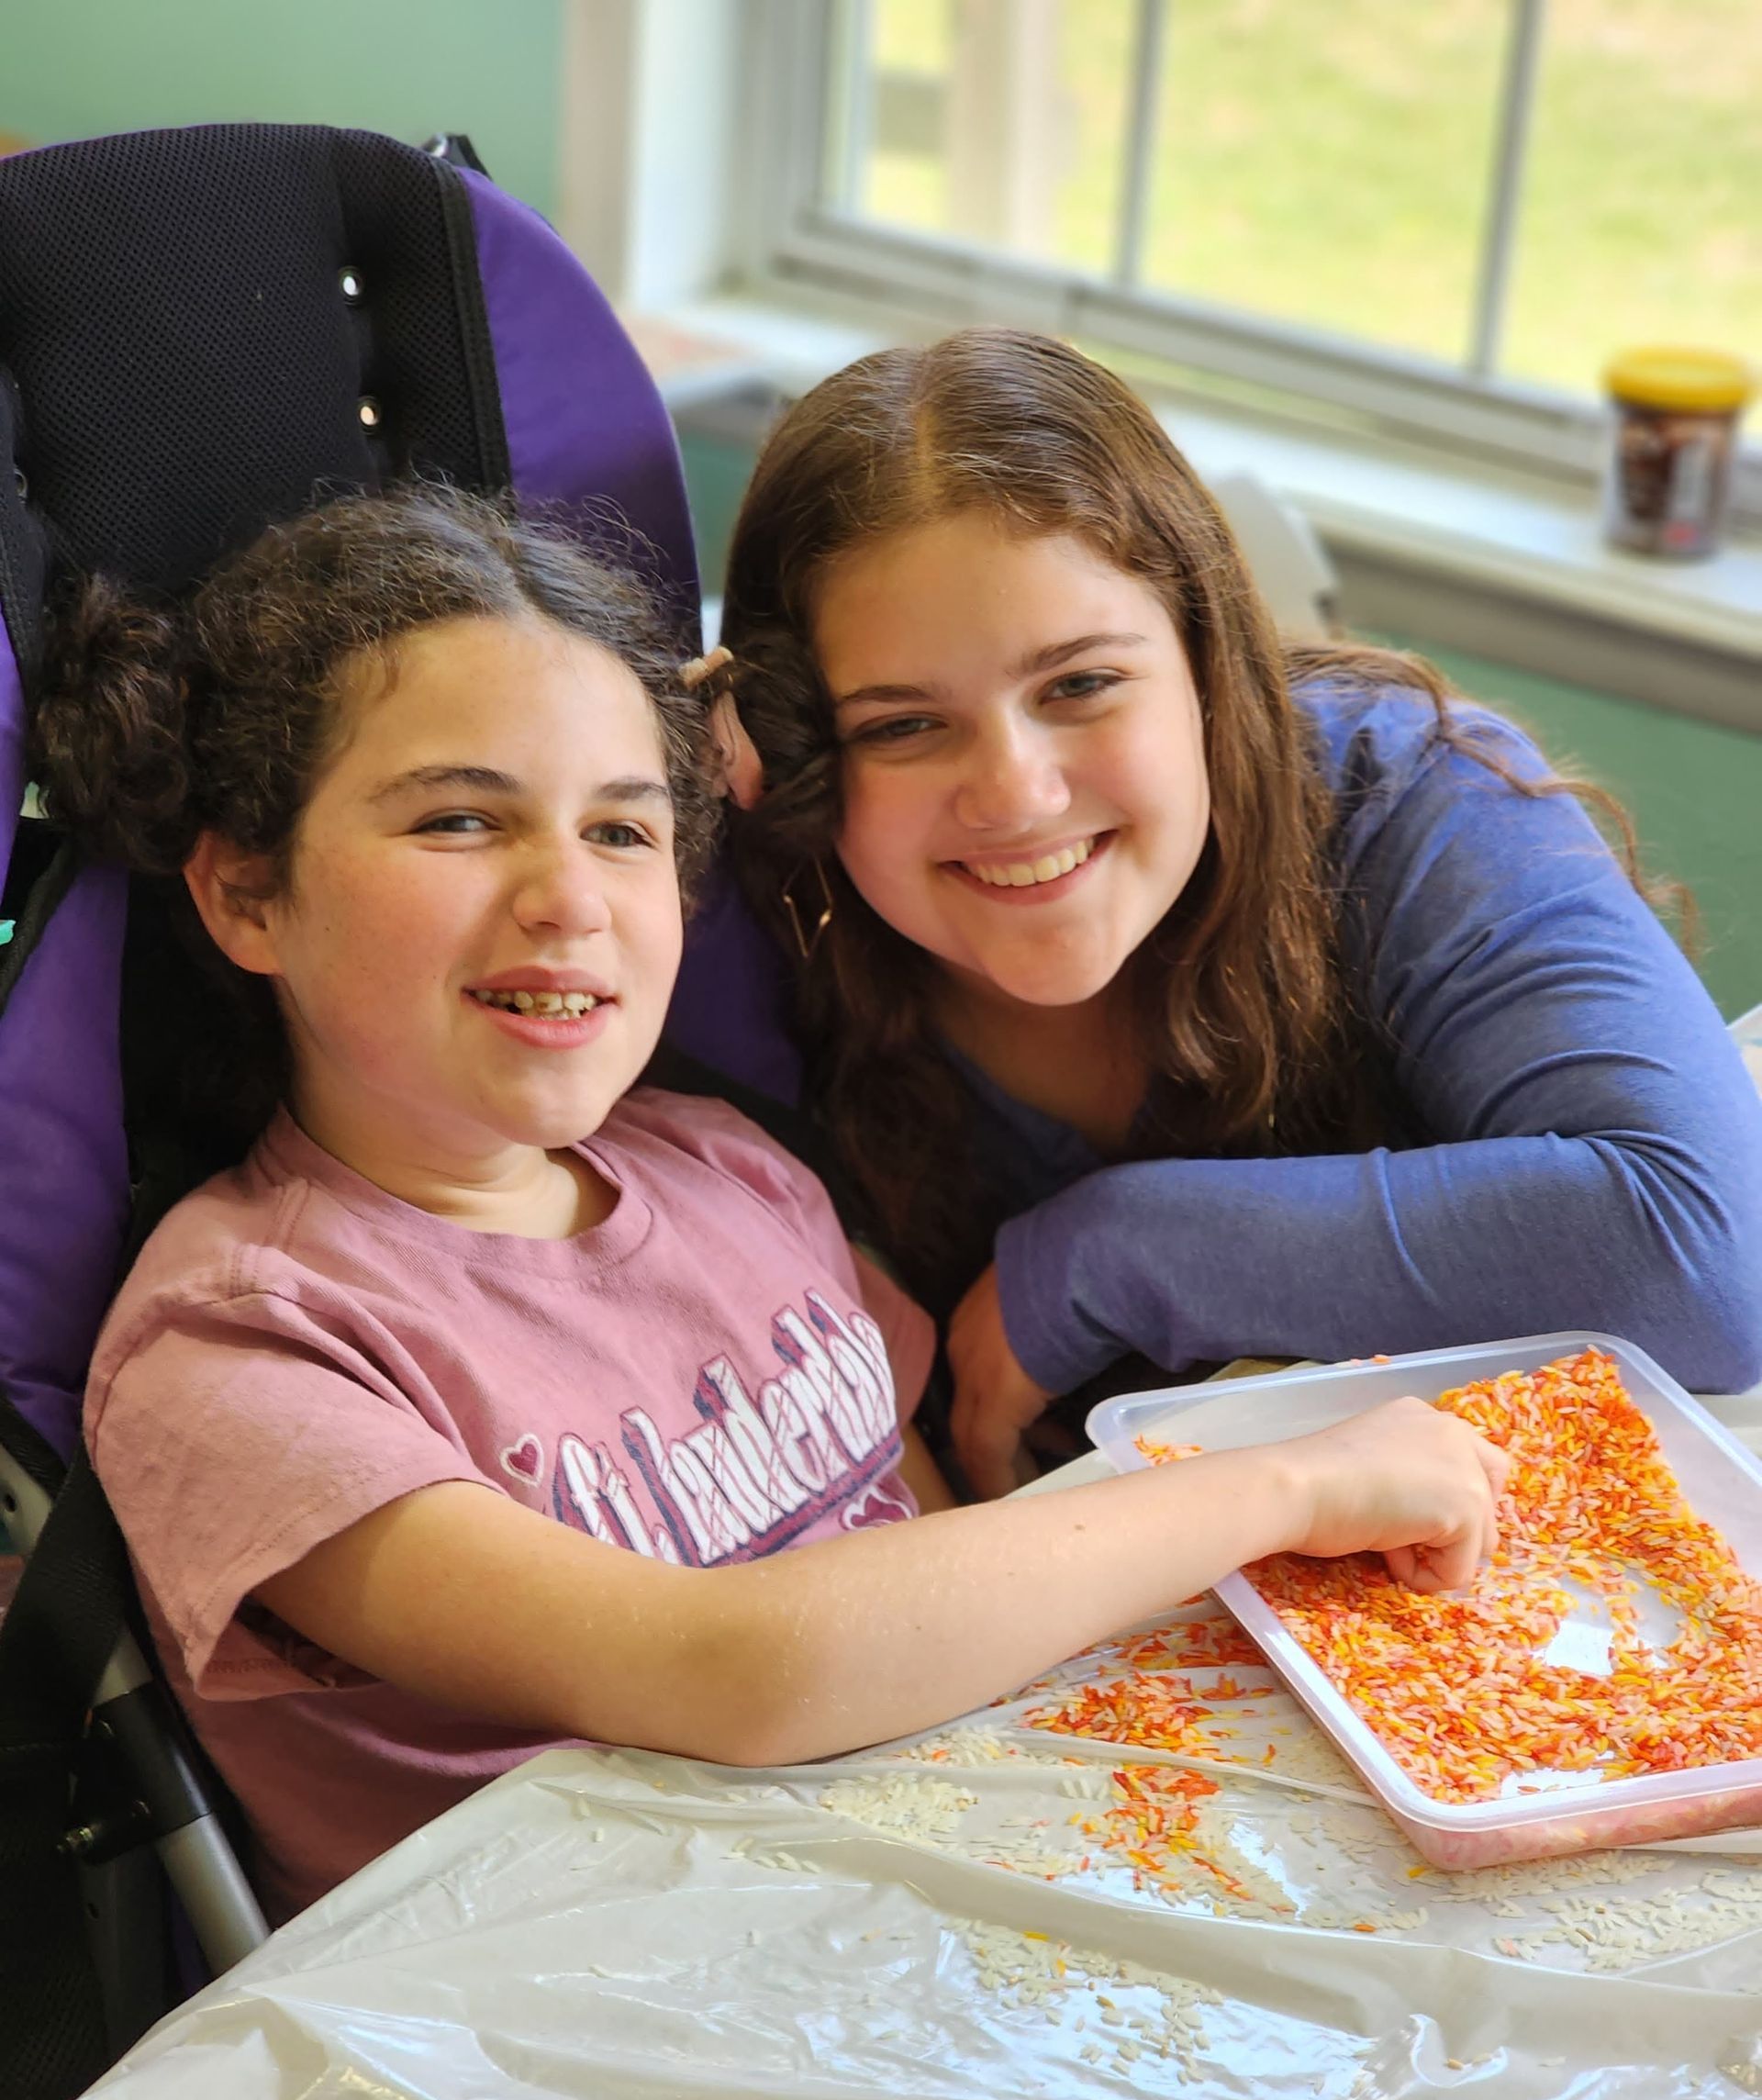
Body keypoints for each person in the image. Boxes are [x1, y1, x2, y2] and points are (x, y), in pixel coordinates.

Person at [36, 486, 1506, 1920]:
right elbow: (731, 1671)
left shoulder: (735, 1174)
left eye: (621, 831)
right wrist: (1282, 1487)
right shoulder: (241, 1349)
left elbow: (931, 1540)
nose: (571, 897)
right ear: (245, 897)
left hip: (933, 1900)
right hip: (590, 2044)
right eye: (461, 823)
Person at [690, 328, 1762, 1498]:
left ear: (1209, 664)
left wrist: (1110, 1253)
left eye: (1081, 684)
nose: (1016, 794)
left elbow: (1706, 1257)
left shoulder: (1406, 793)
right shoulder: (755, 912)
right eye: (901, 724)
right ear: (799, 753)